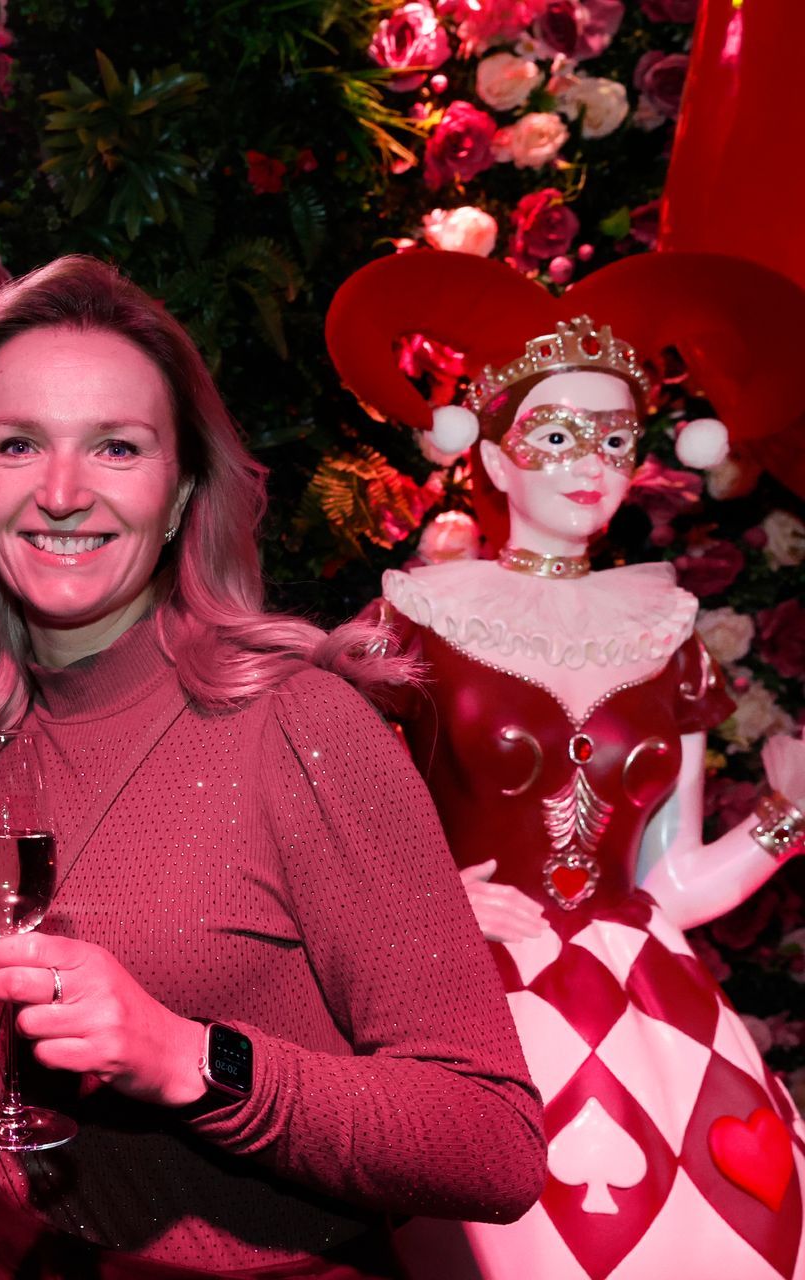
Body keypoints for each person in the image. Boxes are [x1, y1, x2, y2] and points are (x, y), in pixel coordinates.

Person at [0, 255, 548, 1279]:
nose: (61, 492)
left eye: (117, 446)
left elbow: (494, 1139)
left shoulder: (298, 725)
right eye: (18, 443)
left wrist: (191, 1059)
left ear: (181, 494)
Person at [328, 249, 805, 1280]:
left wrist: (788, 816)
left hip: (651, 1008)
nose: (590, 462)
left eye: (615, 437)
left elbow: (673, 883)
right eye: (555, 434)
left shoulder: (665, 629)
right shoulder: (416, 617)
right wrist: (415, 903)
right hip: (467, 998)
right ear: (495, 457)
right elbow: (303, 825)